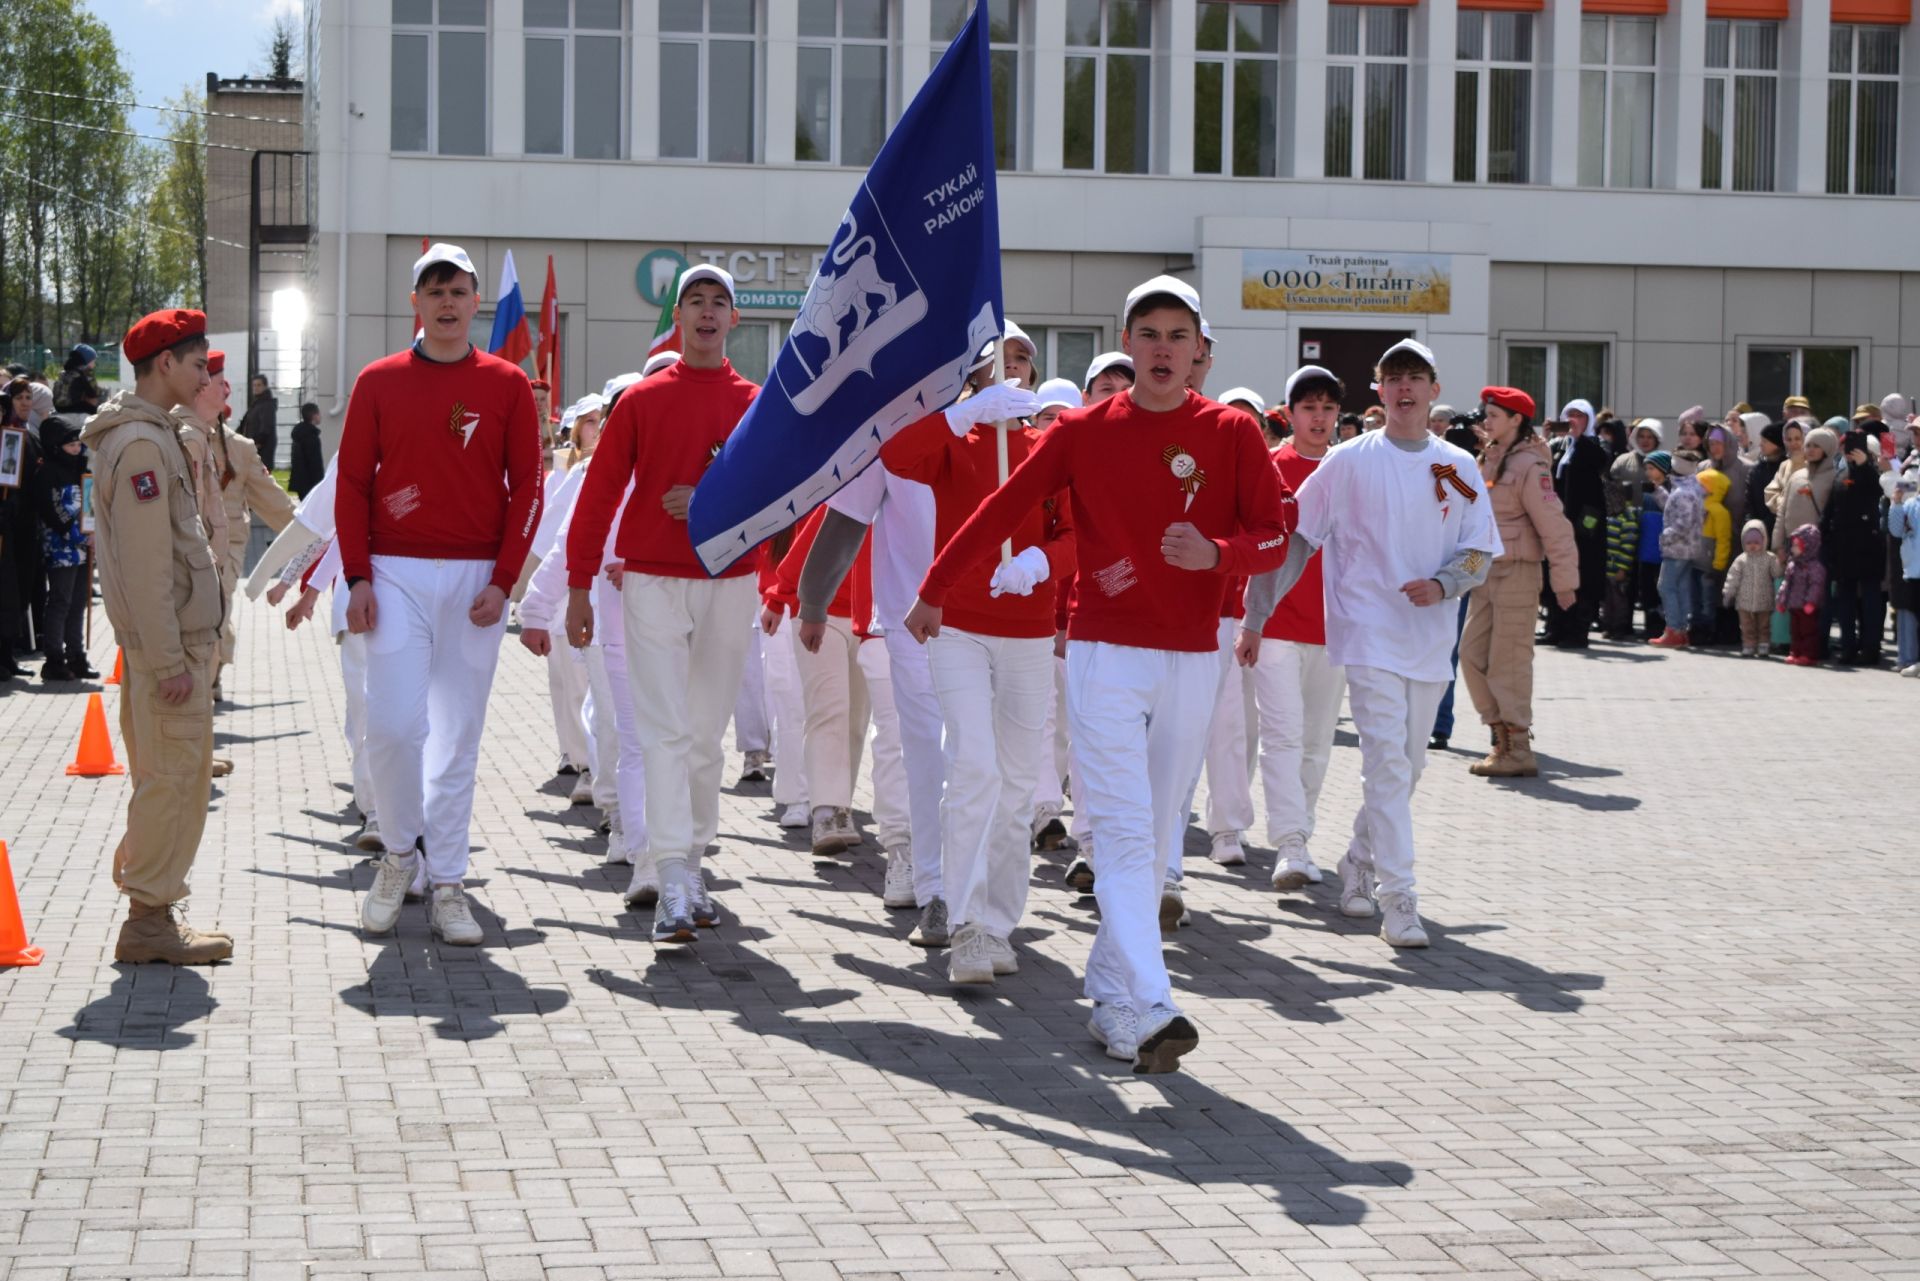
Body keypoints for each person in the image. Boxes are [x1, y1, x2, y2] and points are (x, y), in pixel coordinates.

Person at [906, 276, 1289, 1075]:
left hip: (1190, 652)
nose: (1160, 347)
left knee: (1155, 832)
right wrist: (937, 585)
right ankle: (1153, 999)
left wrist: (1219, 555)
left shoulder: (1231, 433)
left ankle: (1113, 989)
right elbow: (1003, 507)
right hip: (1104, 650)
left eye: (1176, 335)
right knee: (1120, 827)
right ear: (1127, 339)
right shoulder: (1082, 430)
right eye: (1146, 332)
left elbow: (1277, 536)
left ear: (1198, 352)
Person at [1246, 338, 1500, 949]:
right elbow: (1297, 540)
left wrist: (1445, 583)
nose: (1405, 389)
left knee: (1408, 766)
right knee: (1385, 761)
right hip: (1364, 634)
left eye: (1416, 378)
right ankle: (1400, 896)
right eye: (1393, 379)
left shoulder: (1455, 467)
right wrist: (1256, 616)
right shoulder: (1349, 461)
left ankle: (1358, 859)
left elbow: (1479, 548)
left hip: (1428, 634)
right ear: (1378, 392)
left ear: (1434, 390)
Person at [339, 242, 544, 946]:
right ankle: (400, 856)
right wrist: (359, 578)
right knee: (392, 727)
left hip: (475, 579)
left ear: (474, 301)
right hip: (394, 571)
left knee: (456, 738)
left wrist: (503, 578)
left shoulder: (508, 384)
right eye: (435, 291)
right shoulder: (377, 380)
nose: (448, 302)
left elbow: (529, 488)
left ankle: (449, 880)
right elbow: (354, 485)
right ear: (416, 303)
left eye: (459, 291)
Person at [564, 264, 759, 945]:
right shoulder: (644, 401)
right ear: (678, 318)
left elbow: (782, 501)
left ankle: (691, 861)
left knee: (706, 737)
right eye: (695, 302)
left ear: (735, 319)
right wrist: (578, 585)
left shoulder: (758, 404)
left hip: (731, 581)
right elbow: (597, 495)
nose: (707, 313)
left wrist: (710, 504)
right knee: (665, 730)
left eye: (719, 303)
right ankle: (673, 873)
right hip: (650, 579)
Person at [881, 373, 1072, 985]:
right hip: (958, 626)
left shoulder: (1048, 448)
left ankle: (996, 923)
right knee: (973, 769)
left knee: (1017, 787)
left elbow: (1080, 535)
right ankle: (963, 924)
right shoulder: (955, 442)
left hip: (1030, 632)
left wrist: (1045, 561)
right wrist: (960, 416)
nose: (1008, 379)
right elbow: (894, 455)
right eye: (993, 371)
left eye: (1021, 364)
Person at [79, 308, 232, 964]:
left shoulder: (153, 433)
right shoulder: (142, 443)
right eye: (197, 363)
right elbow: (146, 566)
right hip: (171, 654)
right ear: (164, 363)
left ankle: (155, 911)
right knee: (170, 781)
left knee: (173, 777)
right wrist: (171, 658)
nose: (204, 376)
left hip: (178, 647)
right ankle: (149, 920)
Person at [1238, 365, 1346, 892]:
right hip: (1277, 626)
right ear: (1290, 413)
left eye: (1328, 408)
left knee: (1316, 742)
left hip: (1336, 630)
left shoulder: (1351, 468)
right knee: (1281, 736)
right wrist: (1251, 622)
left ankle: (1300, 833)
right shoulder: (1270, 468)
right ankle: (1290, 845)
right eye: (1309, 408)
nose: (1319, 418)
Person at [1456, 387, 1577, 778]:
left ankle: (1516, 746)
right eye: (1486, 413)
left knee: (1508, 663)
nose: (1486, 420)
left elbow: (1554, 526)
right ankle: (1499, 736)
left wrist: (1564, 582)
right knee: (1472, 657)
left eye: (1494, 414)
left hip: (1518, 573)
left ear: (1516, 420)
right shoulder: (1488, 458)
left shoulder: (1529, 466)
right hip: (1485, 573)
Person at [1543, 398, 1607, 647]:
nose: (1573, 421)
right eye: (1569, 416)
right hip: (1559, 521)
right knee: (1557, 572)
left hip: (1586, 524)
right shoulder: (1560, 446)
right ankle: (1555, 627)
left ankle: (1578, 630)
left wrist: (1580, 437)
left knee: (1583, 576)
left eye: (1580, 416)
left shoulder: (1594, 444)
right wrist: (1545, 438)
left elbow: (1602, 462)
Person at [1823, 428, 1888, 665]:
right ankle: (1848, 646)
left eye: (1856, 446)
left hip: (1869, 545)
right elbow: (1832, 505)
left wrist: (1865, 466)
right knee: (1845, 599)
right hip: (1844, 545)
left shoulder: (1875, 472)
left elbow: (1879, 490)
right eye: (1847, 446)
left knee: (1870, 599)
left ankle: (1871, 648)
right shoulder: (1841, 474)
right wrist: (1825, 533)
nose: (1851, 451)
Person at [35, 414, 92, 680]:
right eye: (70, 444)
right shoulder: (48, 472)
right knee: (60, 601)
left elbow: (90, 502)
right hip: (61, 548)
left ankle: (77, 655)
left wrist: (92, 532)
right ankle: (54, 658)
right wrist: (75, 532)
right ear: (57, 445)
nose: (76, 449)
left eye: (78, 444)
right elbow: (53, 509)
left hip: (82, 547)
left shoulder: (81, 467)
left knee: (79, 601)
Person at [1648, 452, 1704, 648]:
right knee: (1680, 588)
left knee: (1666, 586)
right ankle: (1680, 630)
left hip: (1677, 548)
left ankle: (1673, 628)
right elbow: (1673, 509)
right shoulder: (1690, 487)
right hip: (1687, 548)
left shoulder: (1683, 492)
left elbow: (1683, 522)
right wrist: (1658, 492)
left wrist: (1666, 536)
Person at [1722, 521, 1781, 659]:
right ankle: (1748, 645)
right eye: (1749, 543)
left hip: (1764, 600)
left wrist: (1780, 562)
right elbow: (1733, 577)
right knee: (1747, 626)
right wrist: (1728, 593)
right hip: (1744, 601)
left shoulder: (1769, 558)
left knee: (1764, 625)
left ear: (1763, 541)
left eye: (1756, 542)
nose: (1752, 546)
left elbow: (1777, 573)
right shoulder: (1741, 560)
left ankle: (1763, 645)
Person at [1692, 467, 1734, 645]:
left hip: (1708, 565)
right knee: (1695, 596)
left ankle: (1707, 628)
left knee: (1707, 599)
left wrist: (1718, 564)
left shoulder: (1719, 512)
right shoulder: (1696, 506)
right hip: (1694, 561)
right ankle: (1695, 626)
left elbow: (1724, 540)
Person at [1780, 525, 1827, 666]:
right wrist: (1782, 600)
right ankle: (1795, 652)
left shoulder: (1815, 567)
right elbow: (1786, 584)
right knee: (1795, 631)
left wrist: (1811, 602)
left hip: (1807, 607)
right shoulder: (1792, 565)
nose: (1793, 549)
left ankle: (1808, 654)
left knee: (1808, 631)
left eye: (1796, 546)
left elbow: (1816, 586)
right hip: (1794, 605)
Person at [1887, 474, 1920, 676]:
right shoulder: (1910, 504)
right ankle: (1907, 658)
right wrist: (1896, 503)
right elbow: (1896, 531)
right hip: (1912, 570)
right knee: (1908, 614)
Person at [239, 374, 278, 471]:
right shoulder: (257, 404)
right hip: (254, 447)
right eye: (254, 385)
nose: (255, 388)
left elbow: (266, 427)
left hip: (261, 450)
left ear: (265, 386)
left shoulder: (267, 405)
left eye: (259, 385)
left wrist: (257, 443)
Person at [289, 402, 325, 498]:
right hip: (310, 482)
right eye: (318, 413)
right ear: (314, 416)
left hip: (300, 480)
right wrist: (320, 482)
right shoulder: (311, 437)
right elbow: (315, 462)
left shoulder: (299, 434)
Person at [54, 344, 102, 415]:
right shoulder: (85, 371)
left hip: (58, 408)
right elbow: (94, 392)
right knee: (97, 404)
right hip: (74, 408)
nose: (94, 365)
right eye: (93, 361)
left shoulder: (63, 373)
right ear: (87, 360)